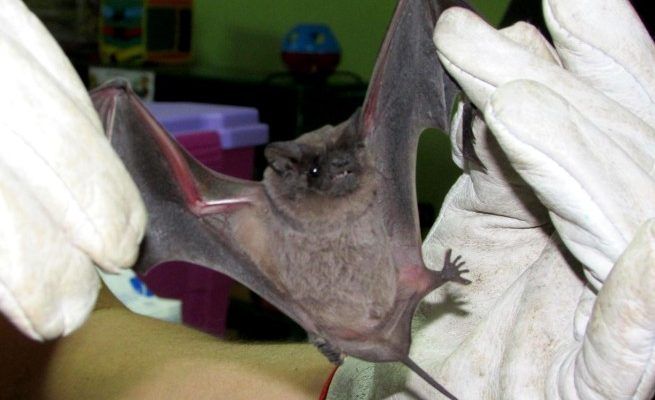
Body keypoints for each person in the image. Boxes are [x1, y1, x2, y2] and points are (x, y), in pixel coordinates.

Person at [2, 0, 655, 399]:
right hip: (350, 322)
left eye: (341, 163)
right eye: (315, 171)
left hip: (378, 316)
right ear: (284, 173)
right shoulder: (242, 215)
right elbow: (45, 352)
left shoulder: (365, 168)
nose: (334, 173)